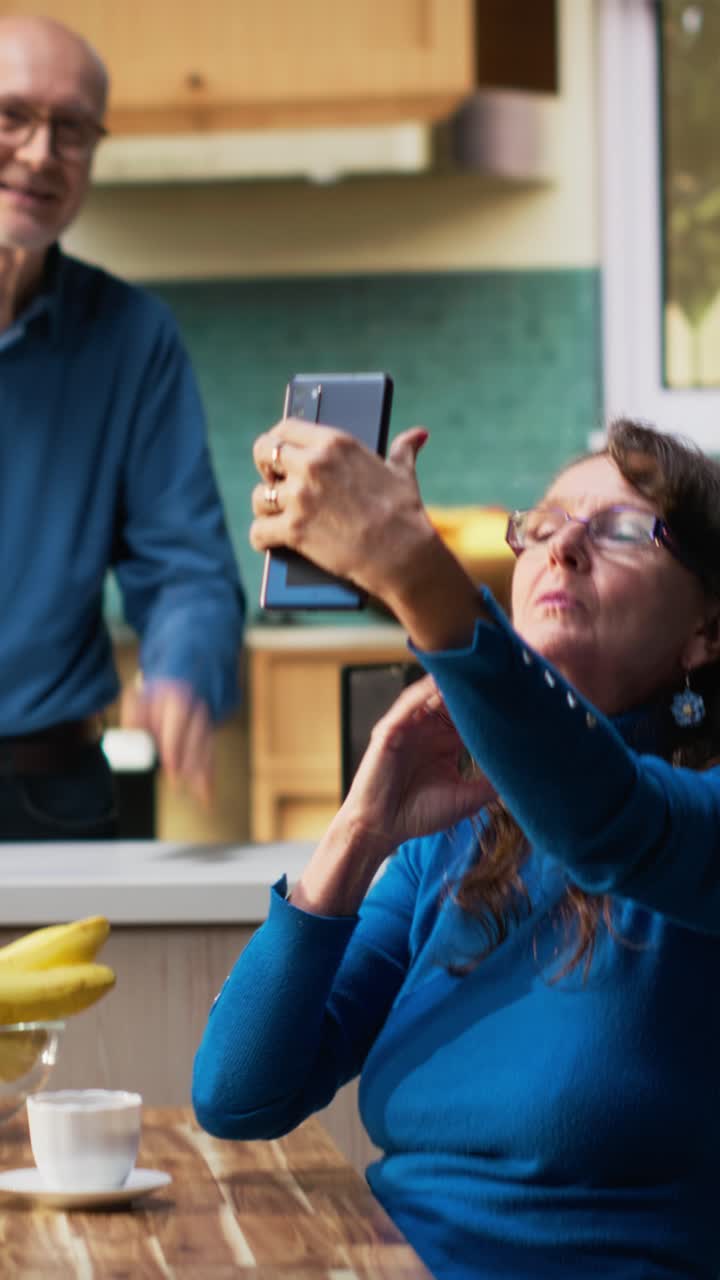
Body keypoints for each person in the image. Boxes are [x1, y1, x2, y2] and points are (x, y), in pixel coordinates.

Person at [193, 413, 720, 1279]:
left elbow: (609, 823)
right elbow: (238, 1095)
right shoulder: (458, 837)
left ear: (708, 630)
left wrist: (410, 567)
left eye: (625, 530)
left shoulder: (696, 824)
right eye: (542, 526)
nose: (565, 547)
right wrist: (359, 833)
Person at [0, 16, 245, 839]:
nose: (41, 153)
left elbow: (186, 570)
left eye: (71, 129)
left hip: (50, 795)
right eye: (12, 115)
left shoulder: (132, 338)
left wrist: (182, 670)